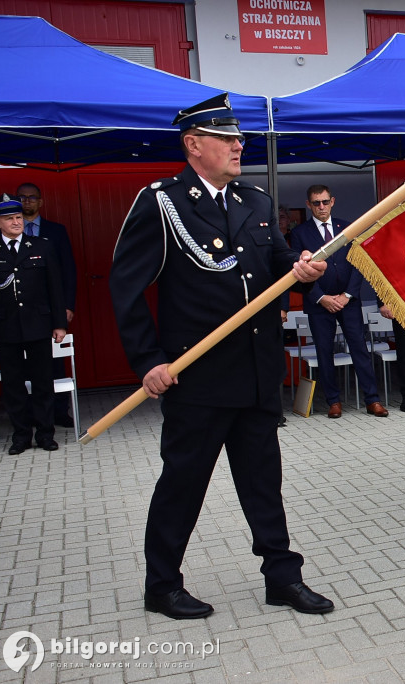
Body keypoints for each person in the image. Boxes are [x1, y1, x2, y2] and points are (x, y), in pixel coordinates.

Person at [109, 94, 334, 619]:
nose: (239, 145)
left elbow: (278, 264)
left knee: (264, 484)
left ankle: (282, 577)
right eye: (226, 138)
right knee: (183, 485)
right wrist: (147, 362)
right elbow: (125, 288)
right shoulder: (162, 202)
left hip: (256, 372)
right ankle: (161, 584)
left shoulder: (253, 201)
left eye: (239, 137)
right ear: (194, 145)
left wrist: (302, 269)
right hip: (198, 378)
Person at [289, 185, 389, 419]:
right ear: (308, 205)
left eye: (325, 202)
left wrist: (347, 295)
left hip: (349, 301)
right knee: (325, 353)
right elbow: (298, 270)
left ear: (332, 201)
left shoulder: (347, 227)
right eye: (316, 203)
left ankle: (372, 400)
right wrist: (322, 298)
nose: (321, 207)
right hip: (319, 303)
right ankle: (333, 402)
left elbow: (358, 262)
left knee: (359, 349)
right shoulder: (300, 233)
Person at [0, 194, 67, 455]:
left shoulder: (41, 247)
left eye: (18, 217)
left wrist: (59, 324)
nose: (16, 222)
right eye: (9, 218)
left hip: (38, 324)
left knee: (42, 382)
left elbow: (55, 289)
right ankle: (21, 436)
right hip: (6, 328)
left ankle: (46, 435)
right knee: (13, 385)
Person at [16, 182, 78, 428]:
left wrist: (68, 305)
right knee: (25, 363)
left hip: (52, 308)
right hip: (21, 310)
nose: (27, 201)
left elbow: (68, 271)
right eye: (23, 197)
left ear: (40, 202)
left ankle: (60, 411)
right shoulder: (9, 233)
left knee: (54, 360)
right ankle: (32, 413)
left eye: (32, 198)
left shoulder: (56, 231)